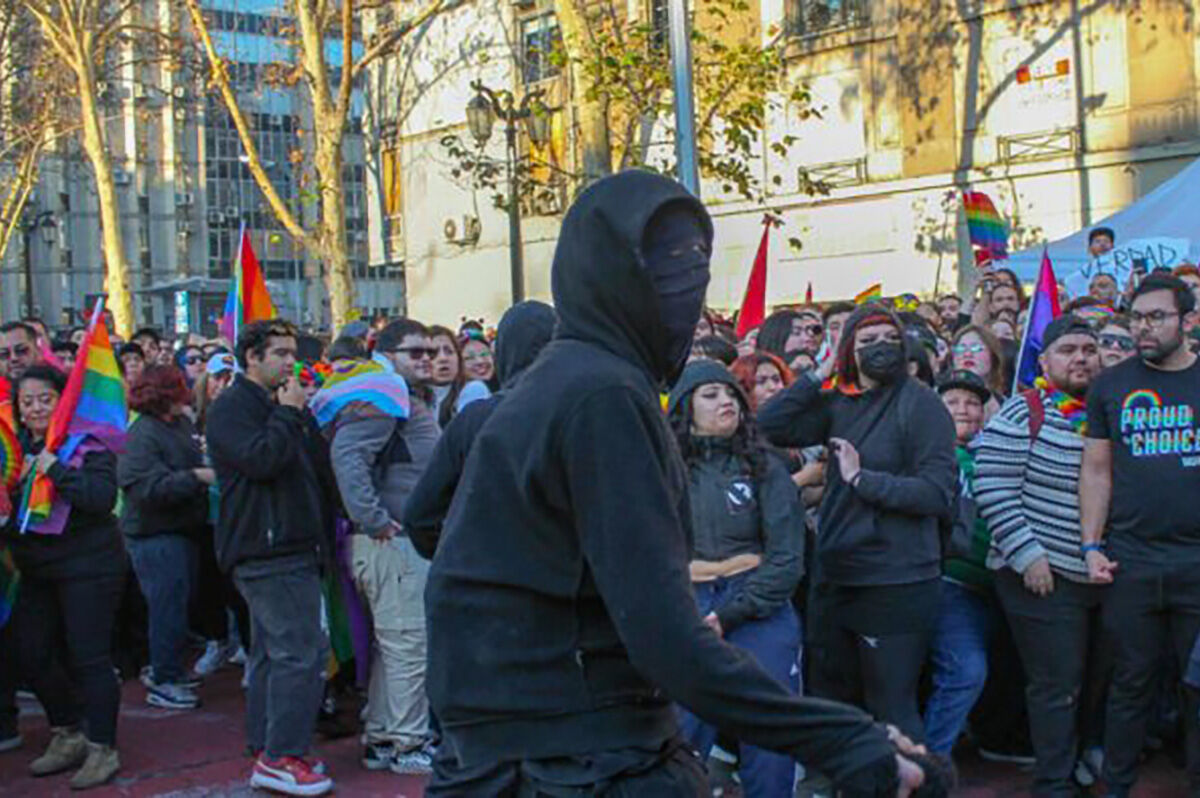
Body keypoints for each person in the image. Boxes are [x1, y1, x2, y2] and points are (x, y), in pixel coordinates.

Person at [425, 172, 931, 796]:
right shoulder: (601, 395)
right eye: (663, 263)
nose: (684, 283)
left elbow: (448, 542)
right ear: (606, 272)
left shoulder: (568, 381)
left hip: (525, 739)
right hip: (570, 755)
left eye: (696, 262)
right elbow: (666, 637)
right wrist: (851, 743)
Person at [759, 304, 956, 743]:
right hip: (836, 574)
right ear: (848, 350)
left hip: (897, 580)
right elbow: (767, 425)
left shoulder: (922, 405)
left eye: (889, 338)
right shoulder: (839, 404)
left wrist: (863, 480)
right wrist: (818, 373)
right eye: (866, 341)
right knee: (833, 699)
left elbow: (936, 493)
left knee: (891, 707)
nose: (880, 347)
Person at [974, 317, 1106, 797]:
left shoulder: (1108, 411)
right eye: (1068, 349)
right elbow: (991, 484)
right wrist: (1028, 555)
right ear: (1045, 361)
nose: (1080, 358)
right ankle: (1053, 783)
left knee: (1094, 682)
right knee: (1057, 686)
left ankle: (1077, 762)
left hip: (1100, 574)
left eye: (1089, 349)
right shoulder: (1022, 412)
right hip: (1040, 574)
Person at [1081, 275, 1200, 796]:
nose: (1142, 328)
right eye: (1136, 317)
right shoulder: (1111, 385)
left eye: (1156, 317)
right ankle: (1118, 788)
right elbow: (1097, 471)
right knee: (1130, 686)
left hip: (1197, 563)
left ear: (1189, 321)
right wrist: (1090, 546)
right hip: (1131, 561)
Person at [205, 319, 335, 797]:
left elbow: (312, 468)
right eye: (278, 354)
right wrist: (287, 415)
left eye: (291, 353)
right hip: (267, 549)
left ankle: (267, 743)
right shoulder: (234, 409)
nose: (289, 362)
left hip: (290, 545)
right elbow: (263, 461)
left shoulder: (280, 405)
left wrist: (299, 415)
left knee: (271, 653)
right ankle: (282, 757)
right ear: (251, 359)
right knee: (298, 653)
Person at [666, 360, 805, 797]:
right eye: (711, 395)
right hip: (687, 604)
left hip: (757, 604)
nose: (726, 402)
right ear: (686, 408)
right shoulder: (661, 470)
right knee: (676, 734)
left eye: (731, 395)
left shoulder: (766, 466)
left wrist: (729, 615)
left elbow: (787, 559)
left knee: (771, 726)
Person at [317, 318, 442, 776]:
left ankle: (385, 737)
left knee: (396, 646)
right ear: (387, 354)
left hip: (397, 541)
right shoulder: (383, 394)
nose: (428, 359)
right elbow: (348, 456)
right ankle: (407, 745)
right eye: (416, 352)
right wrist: (374, 520)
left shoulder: (394, 394)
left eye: (430, 351)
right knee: (409, 644)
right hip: (392, 543)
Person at [3, 365, 126, 789]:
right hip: (36, 569)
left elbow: (100, 499)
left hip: (89, 566)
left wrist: (55, 469)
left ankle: (101, 747)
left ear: (63, 401)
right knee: (30, 651)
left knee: (89, 657)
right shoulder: (14, 448)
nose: (36, 408)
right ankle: (66, 730)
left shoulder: (87, 444)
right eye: (27, 401)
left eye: (45, 399)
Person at [406, 301, 557, 560]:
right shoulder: (583, 413)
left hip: (489, 578)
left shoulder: (474, 418)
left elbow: (420, 515)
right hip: (563, 580)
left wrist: (461, 557)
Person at [119, 366, 214, 711]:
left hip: (181, 528)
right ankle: (165, 678)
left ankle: (167, 667)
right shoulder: (143, 434)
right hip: (154, 533)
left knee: (178, 604)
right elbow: (146, 488)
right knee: (166, 606)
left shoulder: (179, 425)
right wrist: (196, 476)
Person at [923, 370, 993, 758]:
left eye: (973, 403)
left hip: (997, 587)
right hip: (947, 585)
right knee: (966, 670)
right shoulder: (927, 453)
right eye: (953, 402)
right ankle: (930, 766)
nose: (964, 410)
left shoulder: (995, 452)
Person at [951, 326, 1007, 415]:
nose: (967, 354)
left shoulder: (1006, 406)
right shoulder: (936, 398)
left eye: (976, 348)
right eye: (961, 348)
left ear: (992, 356)